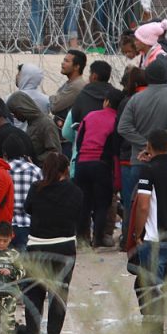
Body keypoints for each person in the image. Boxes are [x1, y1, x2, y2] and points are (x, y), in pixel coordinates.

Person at [125, 129, 167, 334]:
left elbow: (143, 206)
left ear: (149, 147)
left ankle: (154, 332)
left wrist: (137, 234)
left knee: (151, 289)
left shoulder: (149, 171)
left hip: (154, 238)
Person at [22, 151, 81, 334]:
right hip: (64, 247)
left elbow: (27, 208)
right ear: (66, 170)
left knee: (33, 292)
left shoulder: (36, 188)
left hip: (37, 245)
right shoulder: (74, 191)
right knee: (58, 293)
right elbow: (79, 215)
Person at [115, 59, 167, 214]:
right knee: (162, 208)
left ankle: (130, 237)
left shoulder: (135, 99)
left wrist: (145, 145)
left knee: (133, 208)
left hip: (138, 160)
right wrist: (157, 146)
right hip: (165, 163)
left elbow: (123, 127)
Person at [72, 91, 119, 247]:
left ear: (106, 101)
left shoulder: (90, 116)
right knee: (101, 204)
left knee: (83, 203)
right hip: (101, 165)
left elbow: (79, 141)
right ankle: (97, 240)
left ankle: (81, 238)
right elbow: (114, 149)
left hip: (82, 164)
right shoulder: (116, 120)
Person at [48, 50, 86, 123]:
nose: (62, 63)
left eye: (67, 61)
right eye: (64, 60)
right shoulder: (71, 82)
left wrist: (51, 98)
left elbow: (54, 107)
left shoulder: (76, 85)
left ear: (76, 67)